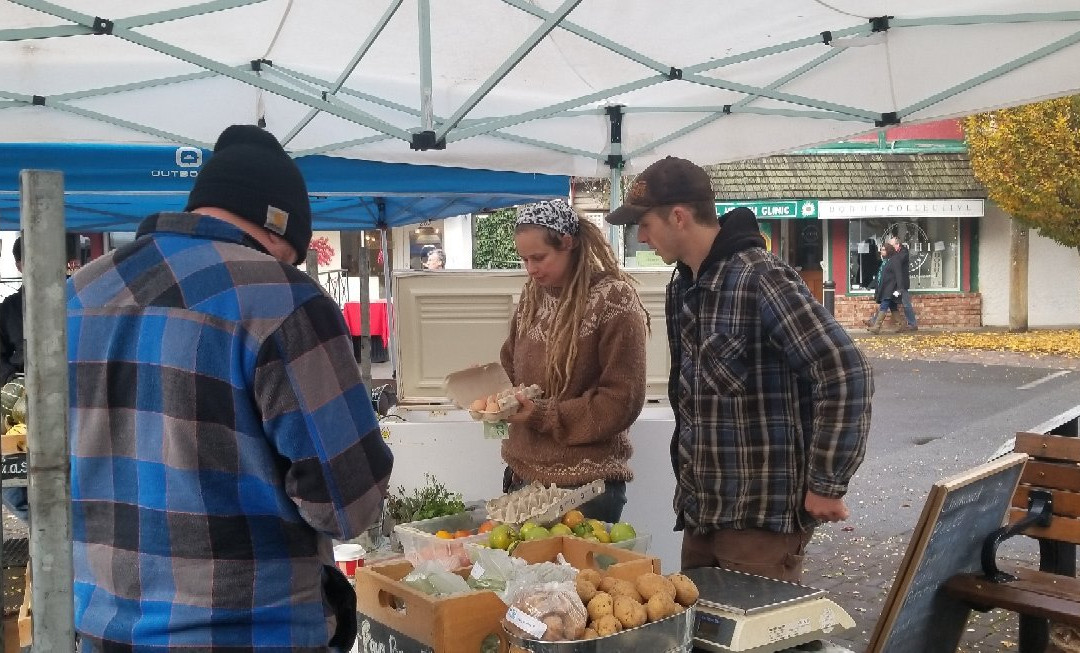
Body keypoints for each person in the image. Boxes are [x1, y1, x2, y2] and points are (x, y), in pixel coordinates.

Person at [67, 125, 394, 652]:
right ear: (281, 232)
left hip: (102, 631)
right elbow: (346, 504)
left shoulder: (74, 297)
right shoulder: (280, 297)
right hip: (247, 632)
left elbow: (30, 477)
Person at [606, 156, 873, 586]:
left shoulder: (760, 278)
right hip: (702, 516)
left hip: (761, 522)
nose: (641, 237)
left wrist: (827, 482)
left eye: (645, 224)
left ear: (678, 217)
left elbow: (845, 372)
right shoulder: (683, 285)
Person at [500, 199, 649, 523]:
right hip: (524, 479)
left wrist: (544, 415)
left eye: (539, 257)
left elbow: (621, 400)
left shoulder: (613, 299)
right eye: (524, 259)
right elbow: (511, 363)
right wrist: (494, 393)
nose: (531, 269)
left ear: (568, 243)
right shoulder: (532, 295)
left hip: (586, 491)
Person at [0, 236, 28, 523]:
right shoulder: (8, 308)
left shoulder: (77, 299)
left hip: (73, 391)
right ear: (19, 265)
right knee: (12, 489)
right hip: (18, 397)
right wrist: (14, 383)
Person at [888, 235, 919, 330]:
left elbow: (898, 261)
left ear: (897, 245)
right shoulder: (893, 253)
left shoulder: (903, 252)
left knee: (906, 303)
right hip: (893, 282)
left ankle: (912, 324)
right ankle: (874, 321)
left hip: (902, 283)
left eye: (891, 245)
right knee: (885, 299)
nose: (889, 247)